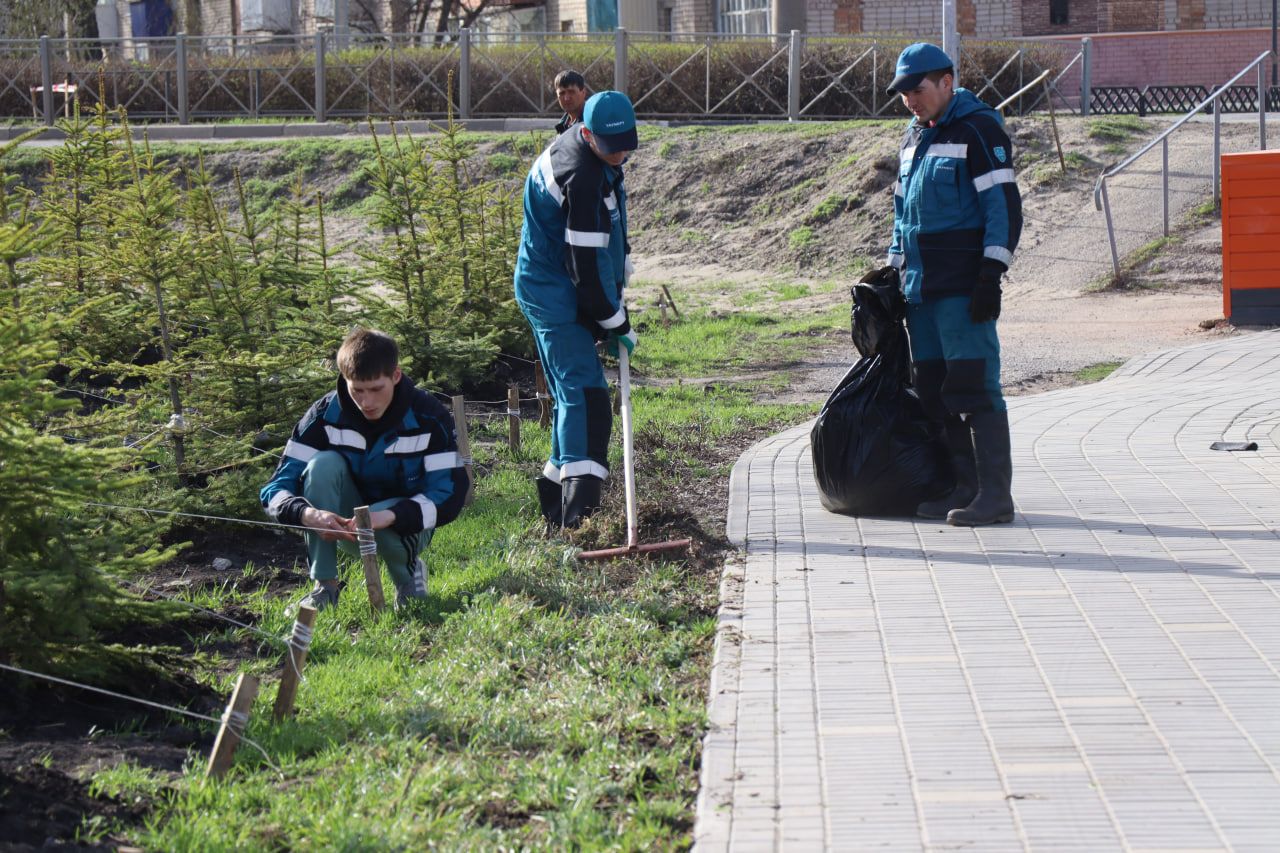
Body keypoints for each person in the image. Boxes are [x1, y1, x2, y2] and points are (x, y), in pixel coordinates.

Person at [880, 42, 1023, 526]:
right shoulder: (914, 136)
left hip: (963, 291)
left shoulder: (979, 128)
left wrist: (991, 275)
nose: (909, 102)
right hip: (921, 291)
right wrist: (893, 272)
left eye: (916, 91)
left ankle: (995, 496)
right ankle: (963, 488)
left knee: (974, 389)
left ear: (946, 81)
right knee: (936, 391)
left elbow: (1003, 207)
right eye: (902, 95)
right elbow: (902, 214)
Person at [260, 329, 470, 610]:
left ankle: (408, 580)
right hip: (344, 525)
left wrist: (389, 515)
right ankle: (325, 586)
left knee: (386, 527)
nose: (366, 402)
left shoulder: (429, 416)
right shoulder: (323, 415)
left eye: (375, 389)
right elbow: (275, 488)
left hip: (406, 524)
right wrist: (306, 513)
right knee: (322, 465)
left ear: (396, 376)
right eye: (356, 389)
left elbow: (450, 494)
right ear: (344, 380)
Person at [515, 90, 639, 529]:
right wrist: (613, 318)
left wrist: (618, 276)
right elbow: (584, 264)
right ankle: (578, 519)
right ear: (586, 134)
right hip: (553, 291)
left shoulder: (595, 154)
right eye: (612, 146)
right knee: (585, 398)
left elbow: (603, 239)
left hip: (559, 284)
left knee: (575, 397)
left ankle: (554, 501)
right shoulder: (581, 177)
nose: (621, 153)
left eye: (628, 143)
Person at [553, 70, 589, 135]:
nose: (566, 98)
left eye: (571, 92)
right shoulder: (562, 124)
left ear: (583, 92)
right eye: (562, 93)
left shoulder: (592, 122)